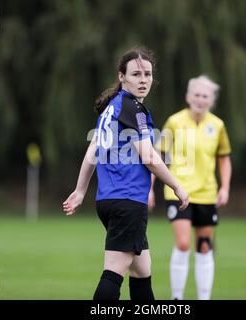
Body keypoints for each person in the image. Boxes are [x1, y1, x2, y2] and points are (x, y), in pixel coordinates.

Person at [62, 46, 189, 301]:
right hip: (127, 201)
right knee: (113, 272)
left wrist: (81, 190)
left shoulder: (112, 107)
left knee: (142, 270)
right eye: (136, 74)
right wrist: (177, 186)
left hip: (108, 201)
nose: (143, 80)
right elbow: (150, 158)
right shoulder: (133, 109)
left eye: (148, 74)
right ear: (122, 77)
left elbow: (92, 153)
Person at [149, 75, 232, 300]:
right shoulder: (174, 121)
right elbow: (158, 155)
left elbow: (224, 158)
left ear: (212, 100)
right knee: (184, 244)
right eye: (196, 94)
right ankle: (178, 298)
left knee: (204, 245)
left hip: (207, 193)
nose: (200, 99)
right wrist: (149, 188)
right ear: (188, 97)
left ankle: (203, 298)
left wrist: (224, 187)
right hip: (178, 192)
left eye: (205, 95)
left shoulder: (217, 125)